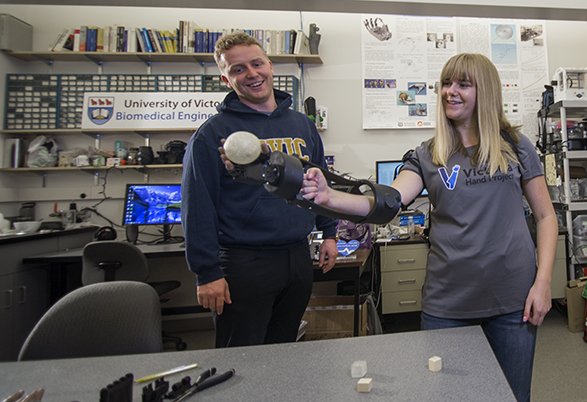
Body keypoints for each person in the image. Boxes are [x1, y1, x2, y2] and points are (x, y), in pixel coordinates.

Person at [300, 53, 557, 402]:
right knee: (448, 395)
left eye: (463, 84)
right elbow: (387, 202)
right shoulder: (428, 154)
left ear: (486, 92)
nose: (450, 91)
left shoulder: (515, 146)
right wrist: (328, 197)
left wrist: (543, 283)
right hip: (448, 304)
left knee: (512, 396)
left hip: (513, 299)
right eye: (446, 84)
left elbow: (545, 216)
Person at [181, 32, 339, 348]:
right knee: (242, 355)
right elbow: (198, 206)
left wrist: (329, 233)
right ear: (226, 79)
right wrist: (207, 272)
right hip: (244, 262)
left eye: (256, 64)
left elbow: (320, 180)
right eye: (238, 69)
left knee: (283, 349)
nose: (251, 74)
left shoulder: (301, 125)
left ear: (270, 65)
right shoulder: (213, 134)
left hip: (296, 255)